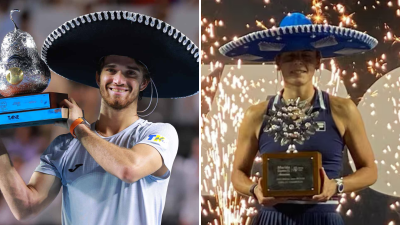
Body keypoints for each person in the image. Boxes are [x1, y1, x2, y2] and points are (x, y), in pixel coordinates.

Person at [0, 10, 198, 225]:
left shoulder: (159, 133)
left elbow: (128, 169)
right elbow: (25, 207)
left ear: (144, 83)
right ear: (98, 77)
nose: (119, 79)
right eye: (111, 70)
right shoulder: (62, 147)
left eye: (131, 72)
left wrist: (78, 126)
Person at [219, 13, 378, 224]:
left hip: (323, 218)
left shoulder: (342, 109)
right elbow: (237, 174)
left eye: (306, 55)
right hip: (273, 218)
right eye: (290, 56)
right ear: (278, 61)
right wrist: (255, 190)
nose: (298, 62)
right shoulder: (256, 114)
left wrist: (337, 185)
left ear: (318, 61)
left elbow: (370, 171)